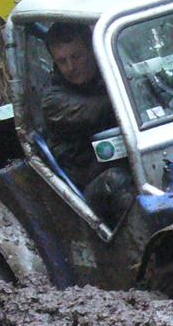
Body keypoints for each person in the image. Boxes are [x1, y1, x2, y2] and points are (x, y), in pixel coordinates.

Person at [42, 22, 133, 223]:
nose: (71, 67)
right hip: (90, 187)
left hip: (134, 161)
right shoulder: (54, 101)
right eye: (62, 61)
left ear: (92, 50)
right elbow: (100, 110)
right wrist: (136, 86)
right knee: (116, 180)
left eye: (76, 56)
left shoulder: (110, 74)